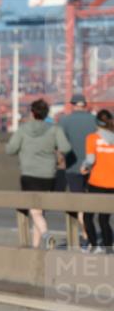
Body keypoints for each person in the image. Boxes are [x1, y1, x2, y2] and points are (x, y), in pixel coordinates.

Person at [6, 99, 71, 249]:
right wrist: (52, 148)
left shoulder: (23, 129)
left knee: (34, 211)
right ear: (46, 113)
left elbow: (10, 149)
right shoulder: (54, 129)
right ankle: (36, 247)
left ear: (32, 112)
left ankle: (46, 234)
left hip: (29, 173)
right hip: (48, 174)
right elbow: (66, 148)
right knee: (39, 210)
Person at [60, 94, 97, 249]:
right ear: (85, 105)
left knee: (79, 201)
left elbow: (61, 145)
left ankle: (86, 234)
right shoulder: (95, 120)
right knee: (94, 201)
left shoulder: (64, 121)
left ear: (73, 104)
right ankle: (92, 233)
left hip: (73, 166)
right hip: (94, 167)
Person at [80, 109, 114, 252]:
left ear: (97, 123)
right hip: (112, 184)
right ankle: (108, 247)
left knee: (88, 215)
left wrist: (84, 167)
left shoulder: (92, 138)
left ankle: (94, 245)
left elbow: (90, 160)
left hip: (96, 182)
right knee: (104, 218)